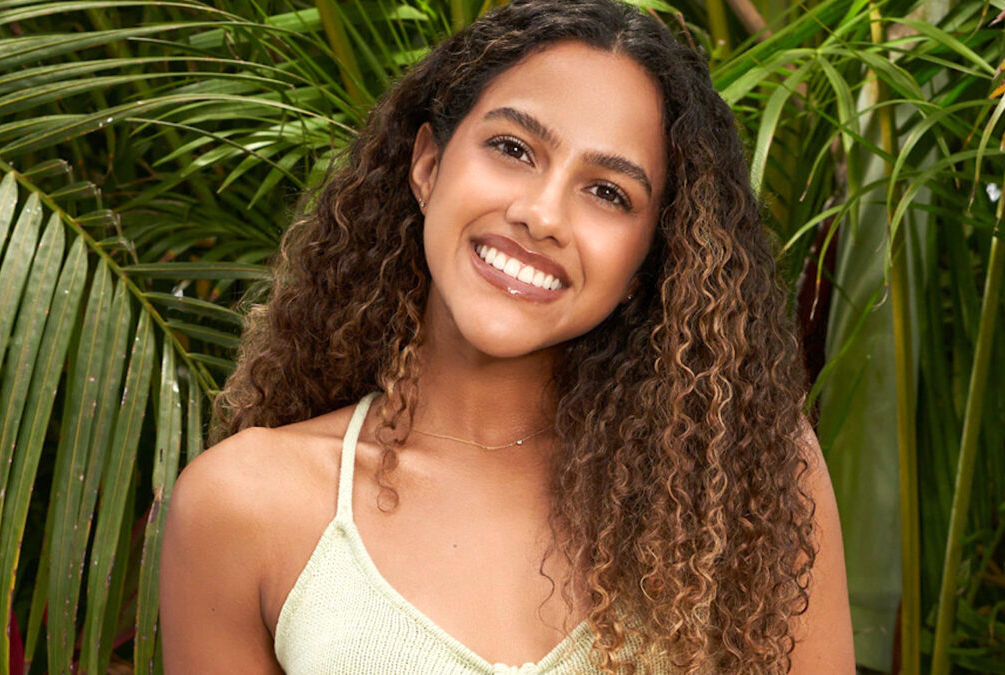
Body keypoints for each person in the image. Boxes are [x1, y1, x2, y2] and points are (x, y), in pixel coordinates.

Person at [158, 0, 854, 672]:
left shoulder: (744, 477)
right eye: (513, 148)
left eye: (609, 192)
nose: (542, 213)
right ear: (427, 165)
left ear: (650, 256)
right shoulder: (242, 505)